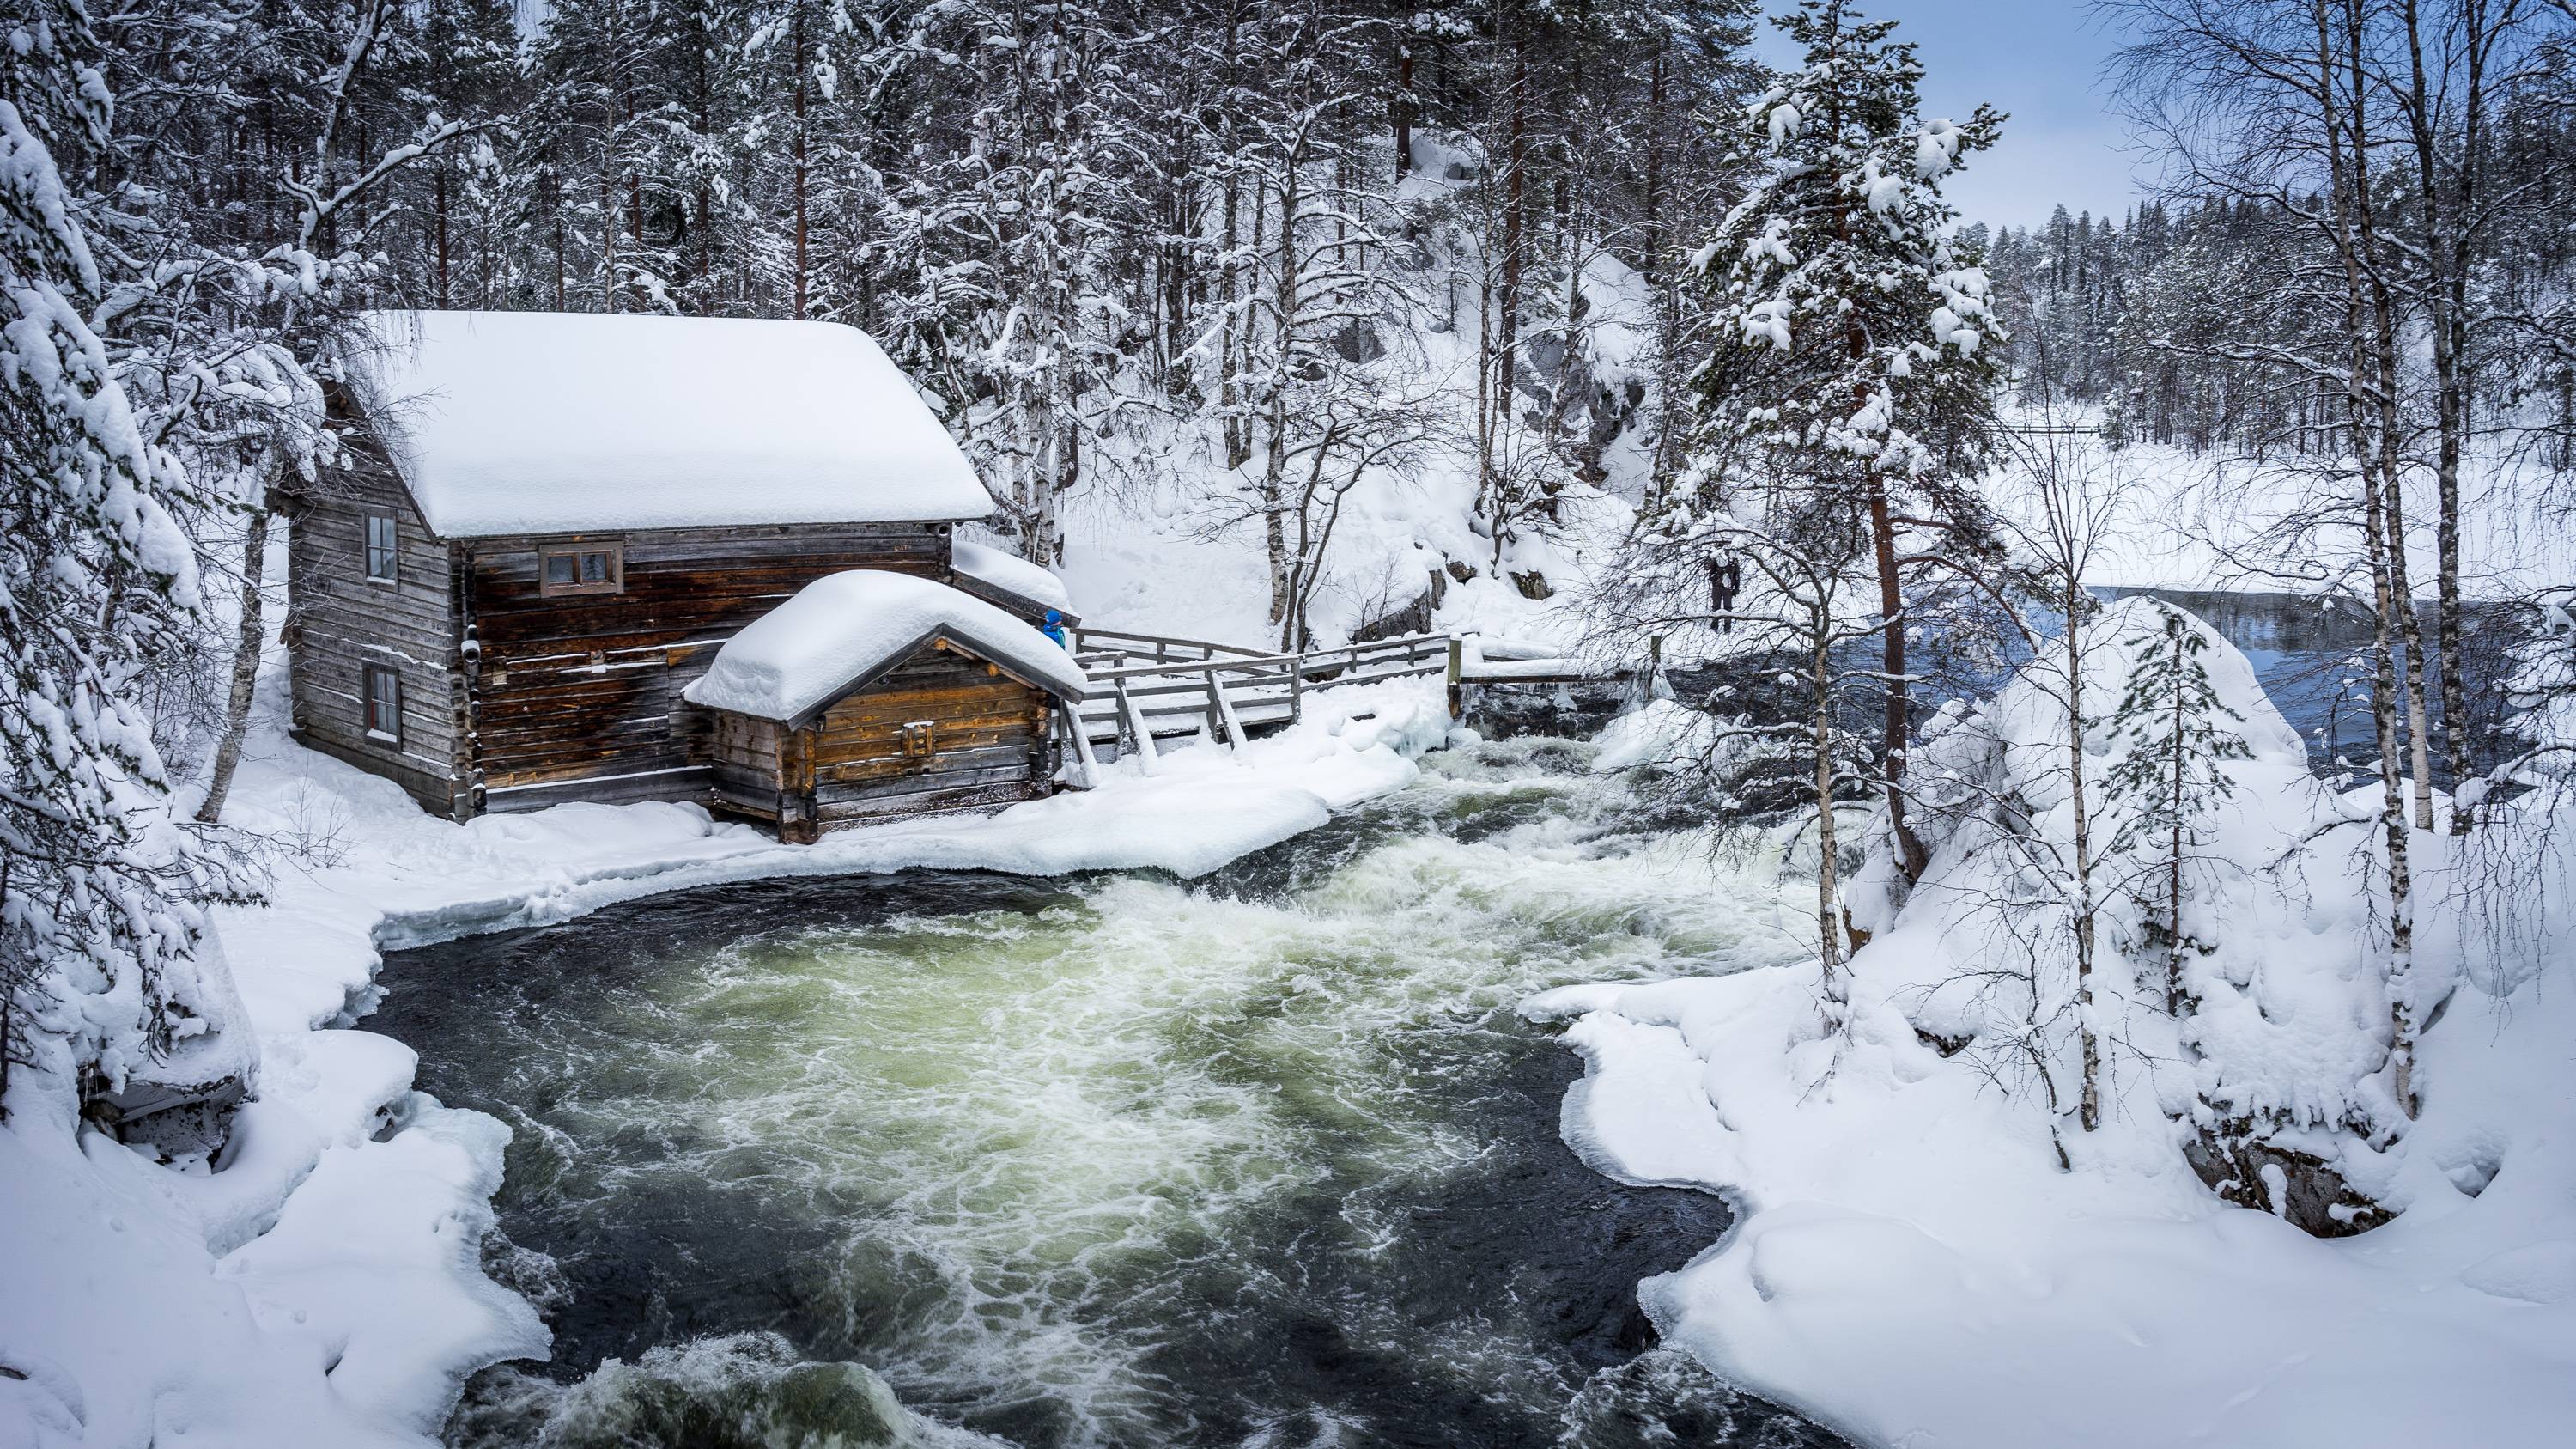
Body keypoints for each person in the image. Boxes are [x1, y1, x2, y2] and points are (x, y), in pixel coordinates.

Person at [1708, 556, 1743, 633]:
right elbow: (1709, 569)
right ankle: (1714, 626)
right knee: (1716, 607)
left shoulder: (1733, 559)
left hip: (1728, 587)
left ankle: (1727, 628)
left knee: (1728, 608)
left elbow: (1737, 575)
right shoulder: (1716, 557)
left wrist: (1736, 588)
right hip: (1717, 586)